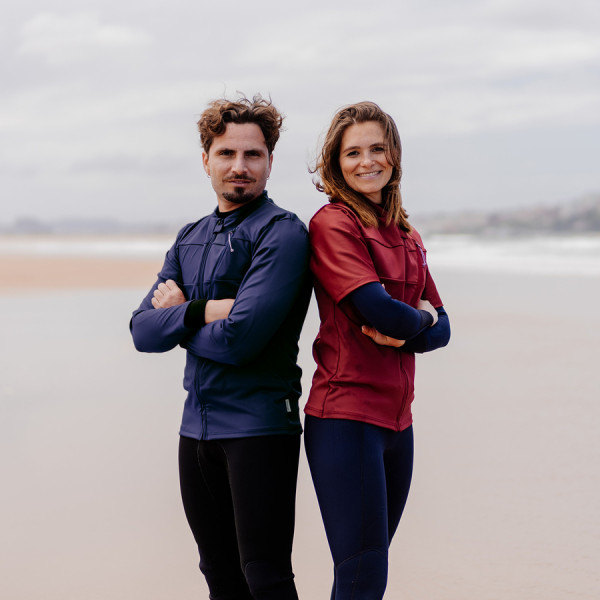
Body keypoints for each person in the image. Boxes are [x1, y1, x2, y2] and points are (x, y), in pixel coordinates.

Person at [130, 94, 311, 600]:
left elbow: (241, 341)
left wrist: (178, 316)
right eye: (227, 153)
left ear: (270, 161)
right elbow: (142, 331)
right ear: (206, 160)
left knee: (265, 577)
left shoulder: (282, 233)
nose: (239, 166)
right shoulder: (190, 237)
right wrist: (202, 310)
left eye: (253, 154)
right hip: (196, 432)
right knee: (219, 577)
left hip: (260, 428)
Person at [303, 101, 451, 600]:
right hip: (346, 419)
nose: (367, 161)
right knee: (363, 578)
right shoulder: (333, 224)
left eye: (377, 149)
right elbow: (383, 314)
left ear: (394, 155)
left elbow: (444, 327)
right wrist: (419, 323)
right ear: (336, 162)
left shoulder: (406, 232)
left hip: (399, 424)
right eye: (353, 152)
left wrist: (418, 325)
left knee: (364, 577)